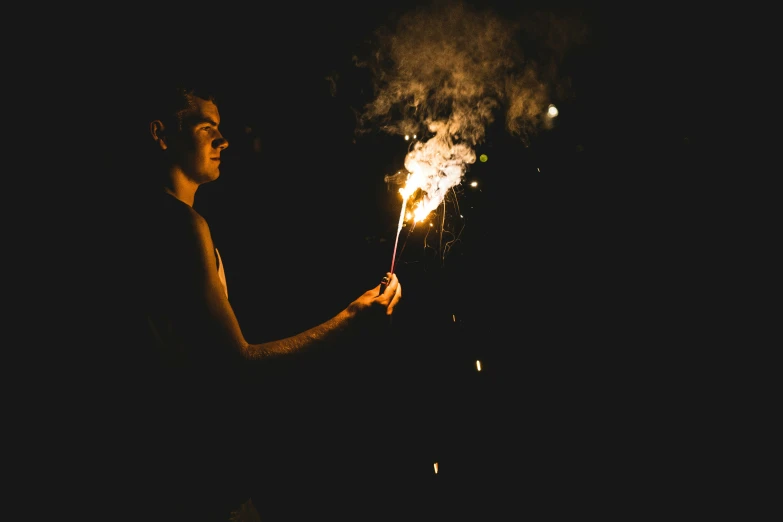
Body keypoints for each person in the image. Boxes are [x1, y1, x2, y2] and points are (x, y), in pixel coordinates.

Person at [95, 86, 403, 521]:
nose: (224, 142)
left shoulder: (141, 215)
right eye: (207, 130)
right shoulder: (181, 226)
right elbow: (235, 365)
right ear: (160, 135)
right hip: (192, 479)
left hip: (173, 470)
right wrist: (351, 320)